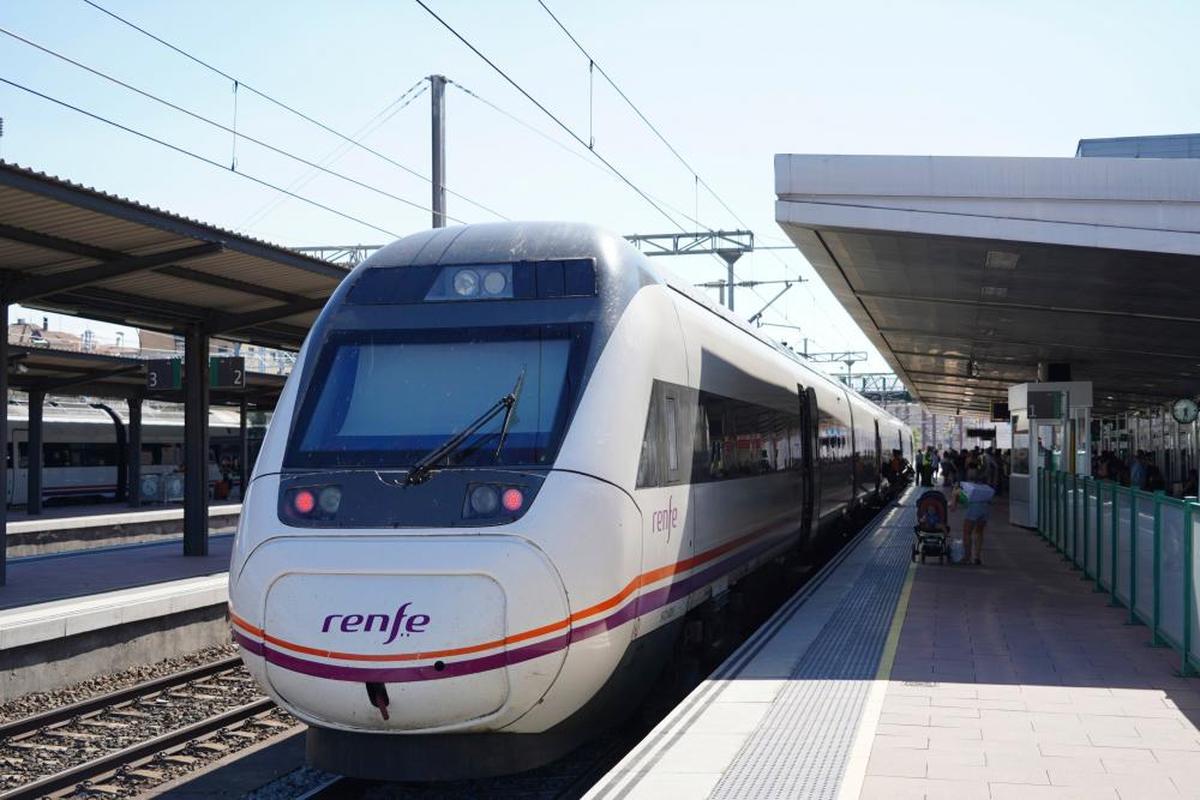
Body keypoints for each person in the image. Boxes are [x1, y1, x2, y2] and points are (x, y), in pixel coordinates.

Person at [953, 469, 996, 566]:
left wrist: (954, 493)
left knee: (967, 532)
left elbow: (953, 506)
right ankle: (977, 557)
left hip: (973, 510)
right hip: (985, 509)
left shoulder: (964, 487)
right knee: (979, 532)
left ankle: (967, 557)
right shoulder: (984, 488)